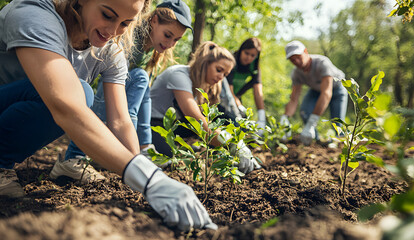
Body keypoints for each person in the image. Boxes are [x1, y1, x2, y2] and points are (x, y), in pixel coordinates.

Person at [0, 0, 216, 231]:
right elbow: (65, 105)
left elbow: (121, 120)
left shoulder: (110, 51)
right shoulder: (34, 13)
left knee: (83, 93)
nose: (112, 31)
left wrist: (146, 176)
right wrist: (146, 177)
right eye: (107, 15)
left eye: (125, 23)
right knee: (81, 93)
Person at [60, 0, 193, 176]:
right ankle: (74, 156)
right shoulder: (130, 38)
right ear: (153, 20)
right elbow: (106, 85)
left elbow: (142, 96)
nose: (170, 44)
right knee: (138, 77)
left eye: (176, 40)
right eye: (168, 35)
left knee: (142, 78)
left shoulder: (150, 51)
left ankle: (144, 148)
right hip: (101, 93)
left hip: (119, 98)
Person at [150, 41, 260, 174]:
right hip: (153, 123)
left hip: (173, 126)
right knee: (165, 159)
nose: (221, 77)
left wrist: (237, 144)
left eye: (225, 74)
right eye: (219, 70)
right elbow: (196, 120)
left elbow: (210, 122)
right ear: (205, 62)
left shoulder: (203, 85)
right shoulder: (179, 75)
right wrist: (233, 145)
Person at [281, 40, 348, 146]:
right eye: (293, 60)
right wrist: (285, 117)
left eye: (298, 57)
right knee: (305, 112)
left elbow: (326, 93)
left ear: (305, 52)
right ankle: (316, 142)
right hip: (316, 90)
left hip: (337, 90)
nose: (297, 62)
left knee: (337, 123)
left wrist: (312, 122)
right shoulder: (296, 73)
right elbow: (294, 99)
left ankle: (340, 146)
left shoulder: (322, 63)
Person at [226, 37, 266, 135]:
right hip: (224, 95)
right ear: (241, 51)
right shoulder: (231, 61)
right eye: (246, 53)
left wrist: (262, 117)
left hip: (237, 97)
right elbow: (228, 89)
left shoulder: (254, 67)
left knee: (242, 125)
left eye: (252, 55)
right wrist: (239, 105)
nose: (248, 58)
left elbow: (258, 91)